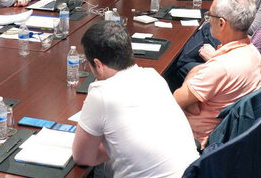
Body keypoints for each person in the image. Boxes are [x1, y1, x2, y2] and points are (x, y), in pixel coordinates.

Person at [72, 21, 199, 178]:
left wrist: (111, 145)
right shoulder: (153, 76)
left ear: (98, 64)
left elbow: (83, 158)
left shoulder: (102, 94)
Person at [173, 0, 261, 149]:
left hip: (194, 137)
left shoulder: (219, 67)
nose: (208, 20)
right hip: (226, 131)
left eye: (210, 16)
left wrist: (190, 84)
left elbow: (176, 101)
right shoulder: (254, 53)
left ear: (221, 23)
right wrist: (195, 76)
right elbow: (198, 74)